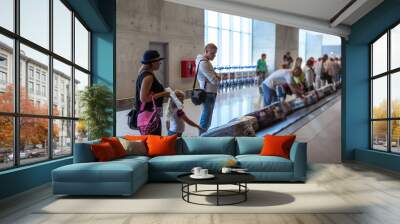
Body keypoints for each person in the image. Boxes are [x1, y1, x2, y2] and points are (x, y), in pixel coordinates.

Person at [135, 50, 170, 135]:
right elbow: (143, 98)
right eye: (158, 61)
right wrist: (164, 94)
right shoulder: (148, 77)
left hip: (150, 114)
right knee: (153, 143)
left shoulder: (145, 74)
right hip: (149, 116)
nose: (160, 63)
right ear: (152, 62)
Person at [196, 43, 221, 135]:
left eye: (215, 54)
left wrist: (215, 76)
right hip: (208, 92)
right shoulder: (204, 63)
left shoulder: (205, 61)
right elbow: (214, 80)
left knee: (207, 116)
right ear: (206, 51)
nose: (214, 56)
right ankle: (202, 136)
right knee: (206, 116)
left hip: (209, 91)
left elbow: (212, 77)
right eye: (212, 53)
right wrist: (217, 77)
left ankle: (204, 134)